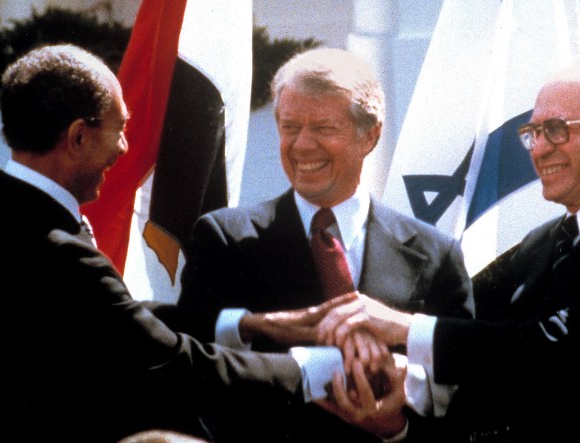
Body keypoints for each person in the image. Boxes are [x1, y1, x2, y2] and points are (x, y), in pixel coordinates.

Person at [0, 44, 349, 442]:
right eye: (119, 129)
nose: (123, 148)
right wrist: (320, 370)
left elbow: (106, 316)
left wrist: (246, 325)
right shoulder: (59, 252)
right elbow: (165, 362)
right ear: (78, 137)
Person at [316, 60, 580, 442]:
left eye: (557, 129)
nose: (538, 149)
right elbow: (466, 319)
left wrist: (402, 328)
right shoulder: (543, 242)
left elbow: (557, 353)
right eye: (533, 132)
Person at [174, 47, 473, 442]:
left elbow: (464, 396)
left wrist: (395, 429)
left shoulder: (436, 255)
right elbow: (186, 361)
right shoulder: (225, 239)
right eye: (289, 127)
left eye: (323, 128)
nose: (302, 145)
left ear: (370, 135)